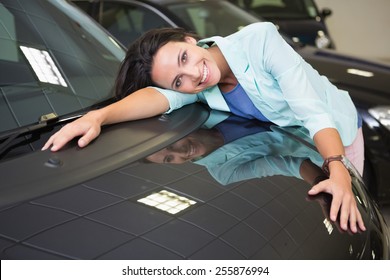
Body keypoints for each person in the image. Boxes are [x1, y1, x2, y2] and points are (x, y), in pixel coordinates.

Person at [42, 22, 366, 233]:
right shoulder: (193, 90)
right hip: (295, 148)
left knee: (350, 218)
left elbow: (312, 110)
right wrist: (97, 117)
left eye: (184, 57)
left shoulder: (260, 40)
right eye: (178, 81)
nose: (193, 75)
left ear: (189, 39)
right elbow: (156, 97)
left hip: (338, 133)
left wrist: (336, 167)